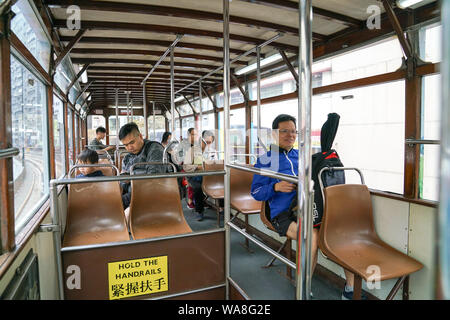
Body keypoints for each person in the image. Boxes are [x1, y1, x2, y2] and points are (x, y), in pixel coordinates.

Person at [119, 122, 165, 209]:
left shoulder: (155, 150)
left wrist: (125, 200)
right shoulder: (127, 158)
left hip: (153, 196)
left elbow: (154, 179)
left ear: (140, 136)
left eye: (132, 142)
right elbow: (123, 181)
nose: (129, 147)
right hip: (132, 197)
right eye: (125, 145)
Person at [183, 129, 218, 221]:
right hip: (193, 176)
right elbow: (186, 167)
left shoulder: (212, 151)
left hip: (208, 176)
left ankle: (221, 207)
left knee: (223, 182)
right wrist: (197, 167)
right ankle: (199, 211)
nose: (207, 144)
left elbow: (216, 163)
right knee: (198, 188)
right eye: (206, 142)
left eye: (210, 142)